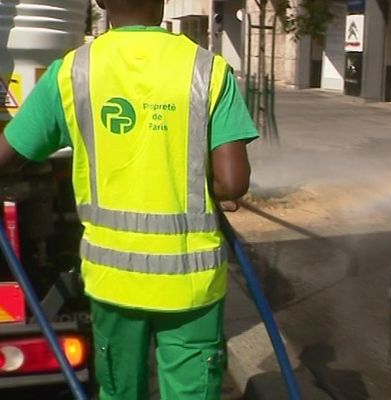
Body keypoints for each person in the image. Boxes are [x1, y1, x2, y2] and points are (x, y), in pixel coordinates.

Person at [0, 0, 258, 398]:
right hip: (191, 284)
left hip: (112, 280)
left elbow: (8, 155)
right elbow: (232, 181)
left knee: (120, 391)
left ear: (101, 2)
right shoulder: (207, 69)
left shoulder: (73, 72)